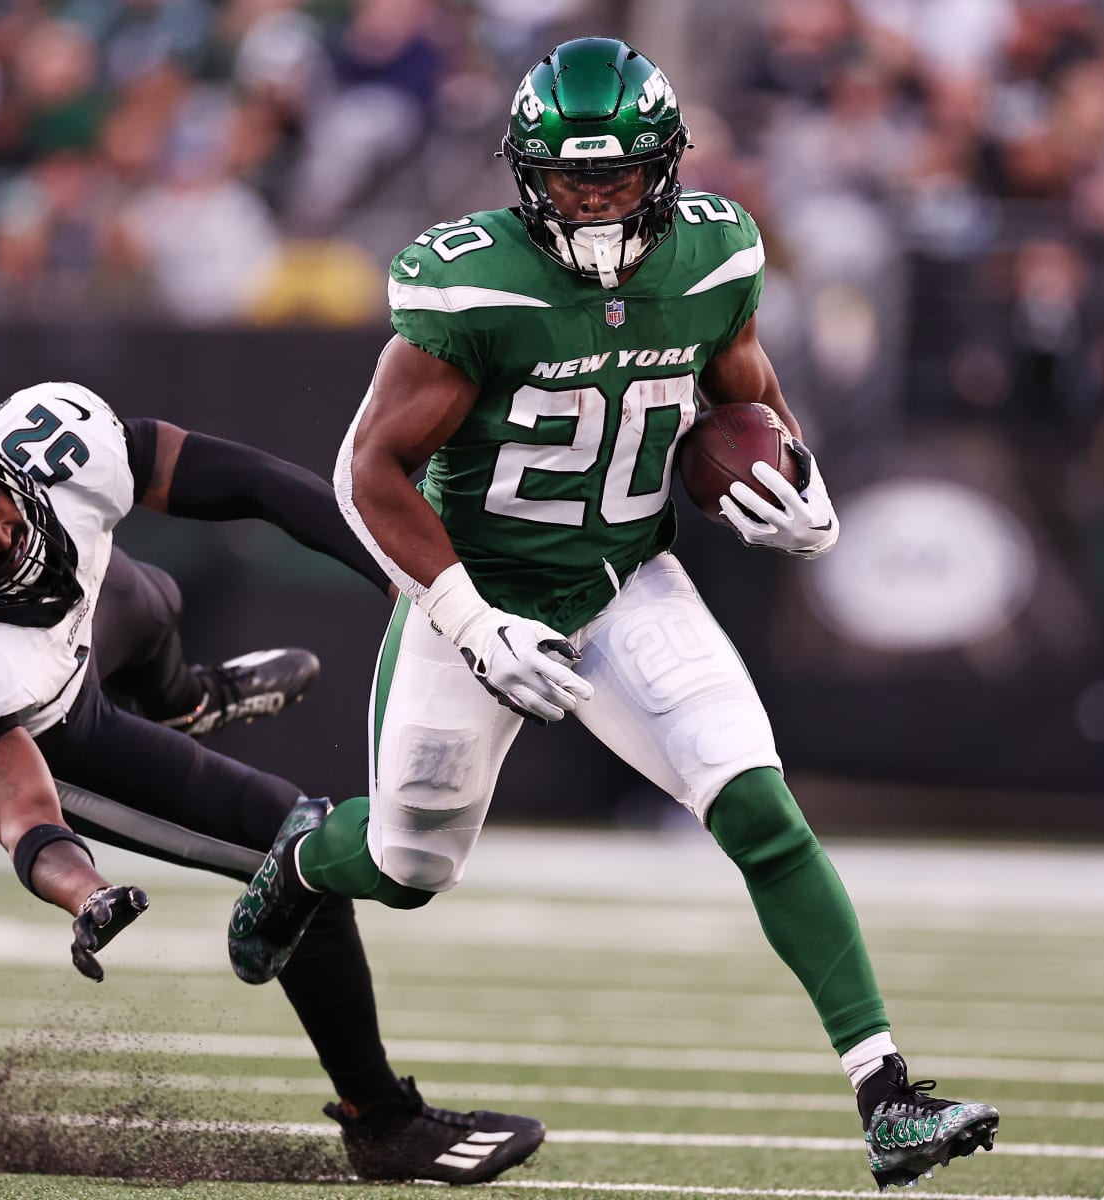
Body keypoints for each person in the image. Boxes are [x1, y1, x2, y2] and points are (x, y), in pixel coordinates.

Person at [225, 38, 1000, 1192]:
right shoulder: (472, 282)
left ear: (666, 168)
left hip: (626, 579)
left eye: (619, 175)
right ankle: (302, 858)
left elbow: (744, 398)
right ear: (526, 176)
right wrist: (473, 624)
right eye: (571, 178)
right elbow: (364, 475)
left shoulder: (714, 256)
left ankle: (887, 1095)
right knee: (407, 862)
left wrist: (803, 489)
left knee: (758, 807)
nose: (595, 199)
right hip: (475, 593)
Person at [0, 385, 545, 1185]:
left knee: (153, 595)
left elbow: (258, 484)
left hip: (92, 626)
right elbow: (24, 813)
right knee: (291, 842)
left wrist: (411, 585)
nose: (11, 532)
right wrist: (85, 891)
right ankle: (383, 1122)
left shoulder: (52, 446)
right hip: (50, 731)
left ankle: (191, 702)